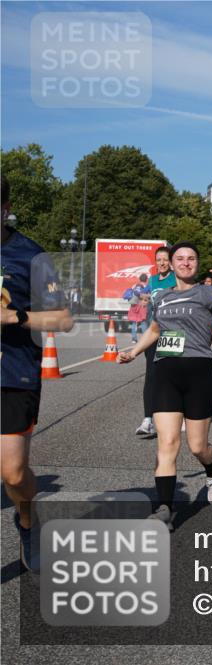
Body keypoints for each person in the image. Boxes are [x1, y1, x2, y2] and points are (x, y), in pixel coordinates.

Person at [117, 242, 212, 529]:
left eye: (191, 258)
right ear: (171, 264)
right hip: (166, 374)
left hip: (199, 375)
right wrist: (134, 352)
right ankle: (164, 509)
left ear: (197, 263)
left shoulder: (208, 293)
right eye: (180, 258)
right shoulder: (163, 296)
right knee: (167, 443)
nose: (185, 262)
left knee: (197, 446)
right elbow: (156, 329)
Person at [1, 177, 75, 572]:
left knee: (13, 474)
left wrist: (16, 316)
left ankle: (28, 522)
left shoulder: (31, 256)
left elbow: (63, 320)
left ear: (6, 209)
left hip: (12, 374)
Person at [135, 247, 177, 437]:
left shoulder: (176, 279)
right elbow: (145, 298)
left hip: (173, 334)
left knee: (171, 376)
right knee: (151, 375)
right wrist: (143, 299)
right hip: (154, 332)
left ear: (171, 262)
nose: (162, 263)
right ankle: (148, 420)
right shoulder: (152, 281)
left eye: (165, 259)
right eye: (158, 260)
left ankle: (178, 415)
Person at [125, 273, 150, 343]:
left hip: (134, 305)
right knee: (143, 322)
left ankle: (134, 339)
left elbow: (131, 293)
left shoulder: (135, 285)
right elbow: (150, 295)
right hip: (142, 306)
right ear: (146, 279)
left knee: (134, 322)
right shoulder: (147, 286)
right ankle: (145, 339)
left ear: (139, 279)